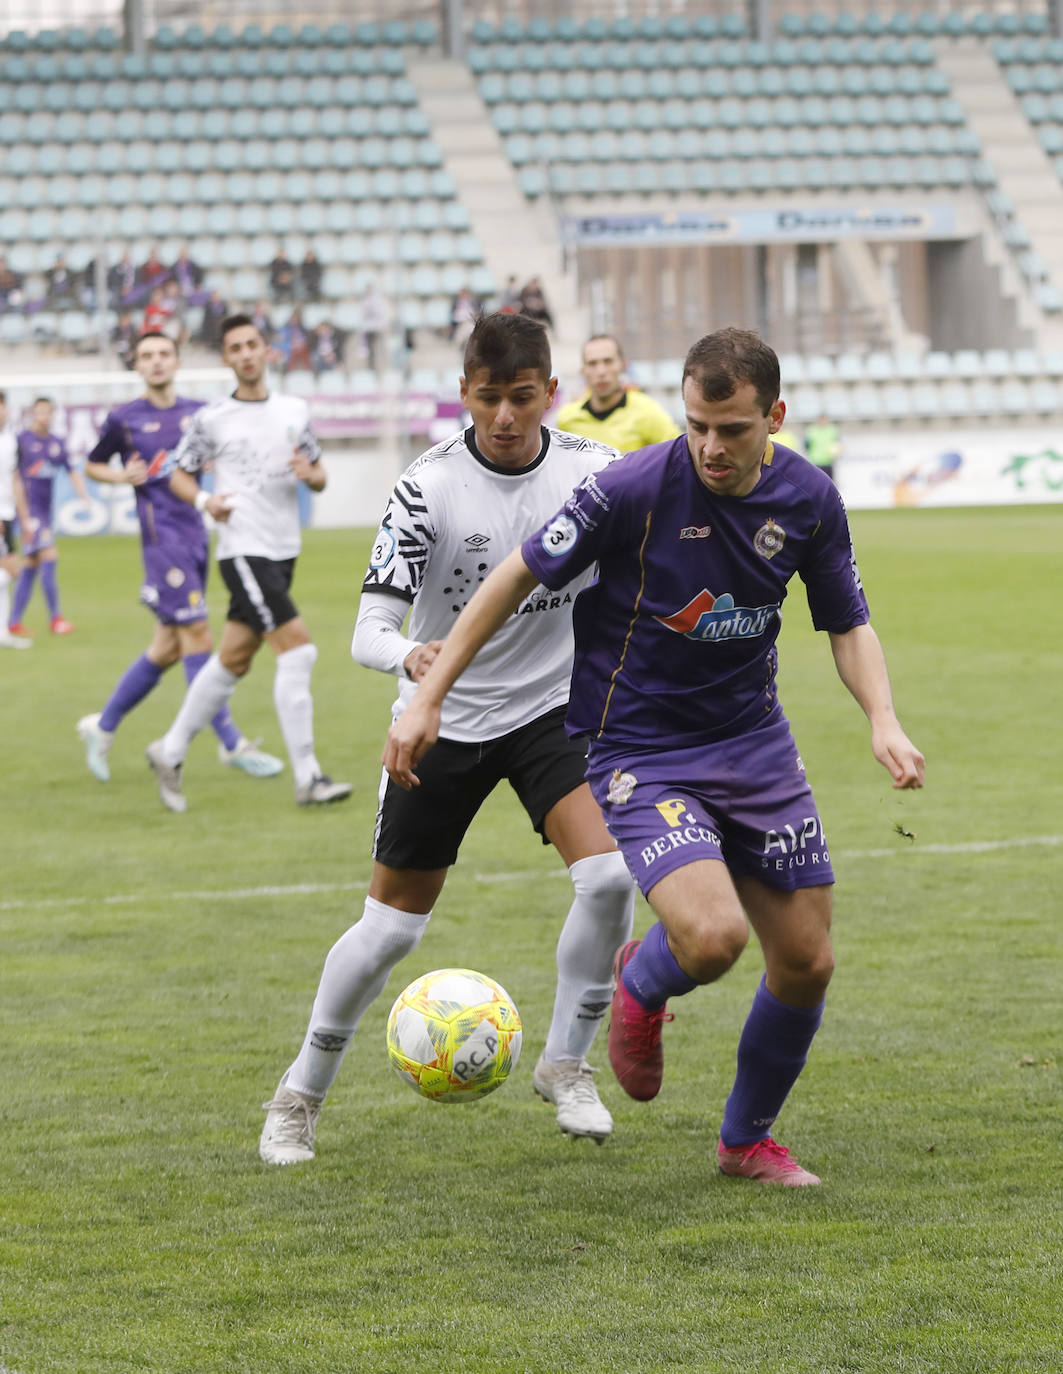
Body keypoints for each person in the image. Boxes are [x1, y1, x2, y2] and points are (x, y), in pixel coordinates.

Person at [383, 327, 926, 1188]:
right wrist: (428, 695)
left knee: (806, 960)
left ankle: (744, 1142)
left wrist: (883, 720)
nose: (711, 446)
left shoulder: (811, 500)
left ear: (774, 418)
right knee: (711, 938)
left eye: (733, 429)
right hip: (639, 745)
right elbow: (511, 578)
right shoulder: (631, 489)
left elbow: (846, 623)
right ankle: (639, 983)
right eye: (697, 425)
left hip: (753, 742)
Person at [258, 312, 636, 1165]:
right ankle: (300, 1092)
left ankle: (566, 1062)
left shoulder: (595, 475)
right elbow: (367, 631)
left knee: (611, 876)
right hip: (443, 722)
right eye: (489, 398)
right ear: (463, 393)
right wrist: (414, 657)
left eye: (523, 397)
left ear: (552, 393)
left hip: (551, 713)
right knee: (390, 931)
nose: (505, 416)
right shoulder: (425, 486)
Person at [145, 313, 351, 812]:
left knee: (234, 658)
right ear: (227, 358)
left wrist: (312, 474)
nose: (244, 354)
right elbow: (178, 475)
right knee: (298, 650)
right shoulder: (212, 419)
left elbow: (319, 474)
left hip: (283, 551)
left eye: (251, 344)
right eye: (234, 347)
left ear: (266, 350)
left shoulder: (294, 411)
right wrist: (205, 503)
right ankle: (309, 777)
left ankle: (169, 751)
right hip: (243, 550)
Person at [76, 332, 284, 785]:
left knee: (166, 647)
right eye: (146, 356)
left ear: (176, 360)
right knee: (196, 633)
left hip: (196, 535)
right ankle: (231, 744)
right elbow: (92, 463)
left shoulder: (199, 414)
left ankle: (102, 726)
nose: (155, 362)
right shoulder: (125, 418)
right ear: (137, 365)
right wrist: (117, 476)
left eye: (163, 354)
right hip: (161, 539)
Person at [8, 397, 90, 637]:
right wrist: (22, 516)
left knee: (30, 565)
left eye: (47, 412)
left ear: (53, 415)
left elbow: (72, 471)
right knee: (49, 556)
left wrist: (84, 496)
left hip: (45, 511)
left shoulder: (56, 443)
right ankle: (56, 619)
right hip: (29, 512)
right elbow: (14, 478)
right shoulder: (22, 440)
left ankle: (13, 621)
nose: (43, 417)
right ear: (33, 414)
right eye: (39, 412)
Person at [557, 335, 681, 452]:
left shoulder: (648, 411)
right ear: (583, 371)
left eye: (608, 361)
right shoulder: (567, 419)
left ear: (623, 365)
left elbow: (678, 454)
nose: (601, 371)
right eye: (592, 363)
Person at [0, 391, 32, 648]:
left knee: (7, 574)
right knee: (9, 570)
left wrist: (24, 517)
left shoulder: (10, 441)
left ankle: (3, 633)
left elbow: (15, 481)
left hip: (7, 514)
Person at [804, 415, 840, 484]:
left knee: (829, 484)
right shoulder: (811, 430)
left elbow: (837, 443)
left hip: (828, 462)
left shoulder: (832, 429)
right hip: (815, 462)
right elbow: (806, 445)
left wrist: (837, 451)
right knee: (816, 484)